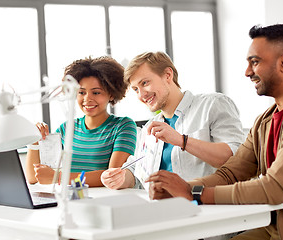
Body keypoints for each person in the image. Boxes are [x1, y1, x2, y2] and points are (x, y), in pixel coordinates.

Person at [146, 24, 283, 240]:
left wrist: (194, 194)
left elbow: (276, 188)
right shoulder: (265, 121)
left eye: (255, 62)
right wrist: (178, 189)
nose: (247, 72)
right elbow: (230, 174)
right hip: (274, 228)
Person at [101, 51, 245, 191]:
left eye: (145, 83)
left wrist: (182, 140)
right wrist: (120, 178)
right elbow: (137, 173)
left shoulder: (212, 105)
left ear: (168, 75)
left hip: (207, 206)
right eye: (136, 89)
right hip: (163, 208)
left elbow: (236, 159)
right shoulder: (149, 129)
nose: (142, 94)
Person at [26, 56, 137, 187]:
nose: (87, 99)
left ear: (111, 94)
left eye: (96, 93)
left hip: (104, 201)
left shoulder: (123, 126)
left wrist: (58, 177)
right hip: (72, 199)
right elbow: (33, 178)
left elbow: (111, 177)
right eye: (81, 92)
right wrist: (34, 142)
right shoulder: (66, 129)